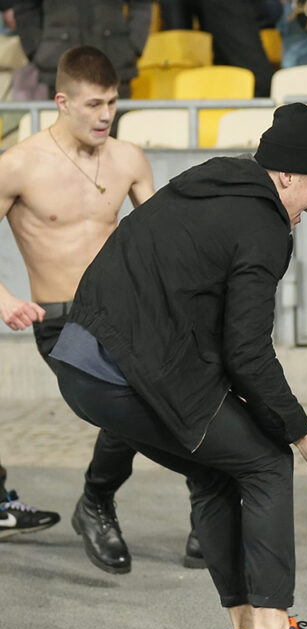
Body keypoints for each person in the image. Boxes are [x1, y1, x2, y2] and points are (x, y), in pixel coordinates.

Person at [48, 102, 307, 629]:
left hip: (81, 357)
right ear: (286, 175)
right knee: (266, 463)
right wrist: (304, 434)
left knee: (213, 468)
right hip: (126, 366)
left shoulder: (212, 181)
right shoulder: (263, 228)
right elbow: (248, 351)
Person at [0, 47, 160, 564]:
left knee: (179, 393)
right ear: (61, 102)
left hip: (123, 310)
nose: (105, 115)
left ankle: (205, 510)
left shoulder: (129, 158)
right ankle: (96, 501)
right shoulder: (19, 165)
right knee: (130, 405)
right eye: (93, 104)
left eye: (112, 102)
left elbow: (162, 244)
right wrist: (3, 299)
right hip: (63, 320)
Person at [10, 0, 151, 99]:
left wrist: (133, 46)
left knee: (112, 137)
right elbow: (24, 6)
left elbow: (141, 4)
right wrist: (36, 50)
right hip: (56, 66)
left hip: (114, 63)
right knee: (60, 136)